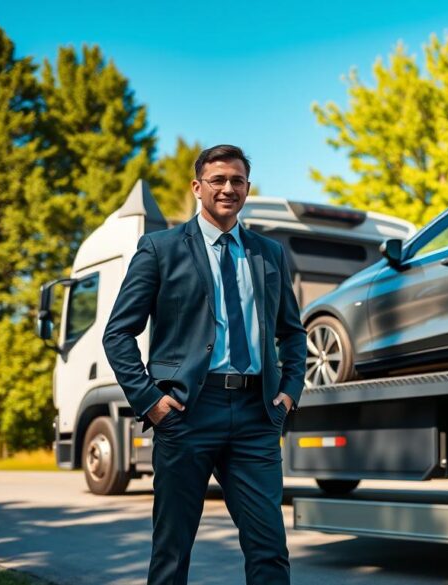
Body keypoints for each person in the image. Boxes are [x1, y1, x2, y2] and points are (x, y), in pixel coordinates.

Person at [103, 144, 306, 584]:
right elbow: (117, 333)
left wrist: (289, 393)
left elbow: (292, 332)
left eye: (237, 180)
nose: (228, 188)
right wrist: (150, 401)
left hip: (257, 415)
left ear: (247, 189)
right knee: (172, 552)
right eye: (218, 180)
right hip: (187, 413)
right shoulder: (161, 248)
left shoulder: (269, 253)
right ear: (198, 187)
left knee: (270, 549)